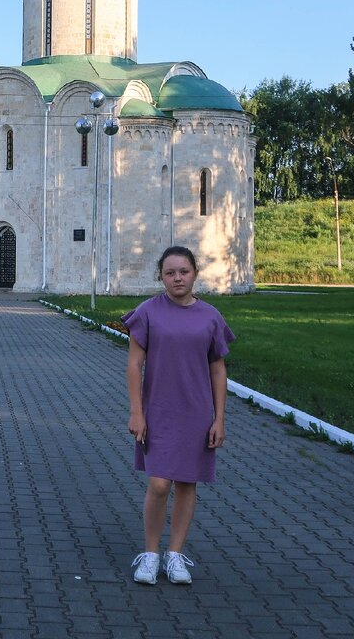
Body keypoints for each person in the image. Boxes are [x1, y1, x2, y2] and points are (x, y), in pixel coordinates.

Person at [122, 245, 235, 585]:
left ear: (195, 273)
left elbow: (218, 370)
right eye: (170, 273)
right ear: (161, 276)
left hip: (197, 413)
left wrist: (219, 418)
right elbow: (133, 365)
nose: (177, 278)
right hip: (158, 410)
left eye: (183, 271)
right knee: (158, 484)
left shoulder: (210, 317)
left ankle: (175, 556)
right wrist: (136, 412)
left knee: (187, 482)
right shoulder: (147, 312)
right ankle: (151, 555)